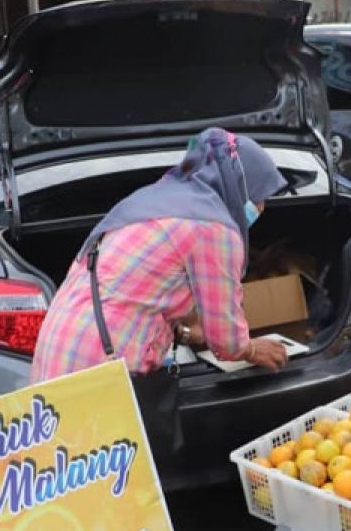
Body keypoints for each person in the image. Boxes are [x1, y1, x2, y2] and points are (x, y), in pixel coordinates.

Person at [31, 128, 290, 383]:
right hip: (98, 369)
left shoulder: (158, 199)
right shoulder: (214, 226)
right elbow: (228, 341)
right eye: (259, 196)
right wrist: (253, 349)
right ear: (240, 187)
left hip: (59, 349)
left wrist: (185, 333)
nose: (261, 206)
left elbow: (138, 292)